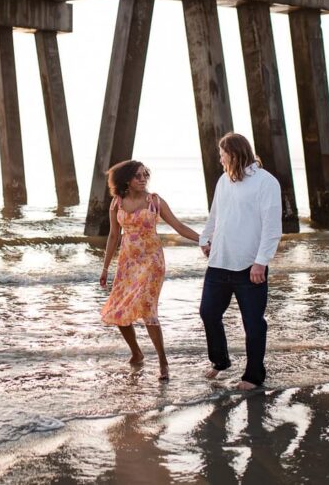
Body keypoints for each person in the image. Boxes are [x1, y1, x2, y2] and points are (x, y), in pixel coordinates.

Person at [99, 160, 200, 380]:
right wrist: (105, 267)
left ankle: (163, 362)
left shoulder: (155, 201)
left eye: (145, 174)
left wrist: (203, 240)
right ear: (126, 180)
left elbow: (179, 226)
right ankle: (136, 352)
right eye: (138, 175)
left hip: (152, 262)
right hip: (128, 263)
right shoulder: (117, 203)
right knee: (118, 310)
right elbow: (114, 236)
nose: (143, 178)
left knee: (147, 308)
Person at [198, 132, 283, 390]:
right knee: (208, 313)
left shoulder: (266, 182)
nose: (220, 159)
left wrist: (261, 262)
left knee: (253, 323)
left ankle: (253, 376)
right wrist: (205, 238)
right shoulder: (224, 180)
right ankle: (220, 361)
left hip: (249, 266)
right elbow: (215, 215)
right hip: (219, 261)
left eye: (222, 154)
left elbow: (272, 227)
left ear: (234, 154)